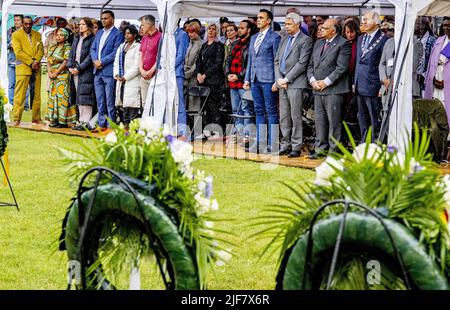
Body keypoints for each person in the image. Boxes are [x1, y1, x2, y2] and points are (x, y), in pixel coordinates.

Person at [307, 18, 352, 158]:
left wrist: (325, 82)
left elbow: (341, 68)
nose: (321, 30)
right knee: (319, 121)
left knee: (334, 122)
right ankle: (321, 149)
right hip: (317, 89)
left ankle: (333, 152)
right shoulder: (319, 43)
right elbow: (310, 65)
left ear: (333, 30)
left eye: (325, 28)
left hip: (334, 89)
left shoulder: (343, 44)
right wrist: (313, 81)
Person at [274, 12, 313, 158]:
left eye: (289, 24)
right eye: (285, 23)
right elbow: (277, 60)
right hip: (282, 83)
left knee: (295, 116)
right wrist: (279, 79)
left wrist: (287, 79)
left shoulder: (305, 40)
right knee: (284, 116)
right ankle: (286, 144)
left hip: (295, 83)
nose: (286, 26)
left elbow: (302, 63)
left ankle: (296, 146)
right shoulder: (284, 39)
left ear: (297, 24)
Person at [244, 9, 281, 153]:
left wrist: (276, 80)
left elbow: (276, 60)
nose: (258, 20)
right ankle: (260, 143)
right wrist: (247, 78)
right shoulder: (253, 38)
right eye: (257, 17)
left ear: (268, 20)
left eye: (261, 18)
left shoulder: (274, 38)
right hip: (255, 79)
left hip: (269, 79)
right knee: (258, 110)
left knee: (271, 111)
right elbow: (250, 61)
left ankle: (273, 144)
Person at [355, 11, 388, 141]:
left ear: (376, 22)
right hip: (360, 84)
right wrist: (354, 82)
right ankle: (364, 146)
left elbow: (384, 63)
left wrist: (381, 86)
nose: (363, 22)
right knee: (362, 119)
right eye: (363, 19)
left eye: (366, 20)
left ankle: (376, 147)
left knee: (375, 120)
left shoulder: (384, 39)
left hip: (374, 85)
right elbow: (358, 61)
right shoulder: (361, 38)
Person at [90, 10, 125, 130]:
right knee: (100, 100)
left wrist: (102, 61)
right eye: (102, 18)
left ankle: (111, 125)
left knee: (110, 101)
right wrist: (95, 60)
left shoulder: (118, 34)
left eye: (106, 18)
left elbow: (116, 52)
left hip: (108, 72)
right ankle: (101, 124)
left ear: (112, 19)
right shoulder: (99, 32)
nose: (103, 20)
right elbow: (93, 48)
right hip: (97, 71)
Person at [225, 19, 254, 145]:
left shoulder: (251, 43)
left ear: (248, 30)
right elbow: (228, 61)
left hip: (243, 82)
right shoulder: (235, 44)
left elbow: (250, 65)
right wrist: (228, 74)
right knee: (236, 109)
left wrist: (238, 75)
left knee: (246, 109)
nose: (240, 30)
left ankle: (247, 136)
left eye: (242, 28)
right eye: (240, 27)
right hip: (233, 82)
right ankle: (239, 133)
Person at [11, 16, 44, 126]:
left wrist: (36, 61)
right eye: (26, 24)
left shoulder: (37, 35)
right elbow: (18, 52)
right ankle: (16, 119)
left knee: (37, 95)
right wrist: (31, 62)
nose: (28, 26)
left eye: (30, 24)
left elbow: (41, 50)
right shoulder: (16, 35)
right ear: (22, 24)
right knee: (20, 95)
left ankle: (36, 118)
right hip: (23, 68)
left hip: (36, 69)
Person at [195, 23, 225, 139]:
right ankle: (206, 131)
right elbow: (198, 61)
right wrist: (198, 73)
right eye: (209, 29)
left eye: (214, 29)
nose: (211, 31)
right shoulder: (204, 46)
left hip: (214, 81)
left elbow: (218, 64)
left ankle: (216, 132)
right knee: (204, 107)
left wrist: (205, 75)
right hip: (203, 81)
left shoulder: (219, 45)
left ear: (217, 32)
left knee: (214, 107)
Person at [68, 17, 96, 131]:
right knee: (79, 96)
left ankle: (86, 122)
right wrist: (70, 66)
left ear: (88, 26)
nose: (80, 26)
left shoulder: (92, 38)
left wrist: (79, 68)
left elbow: (90, 56)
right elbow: (72, 53)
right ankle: (81, 121)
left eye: (83, 24)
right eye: (80, 24)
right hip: (75, 71)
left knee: (86, 98)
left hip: (86, 71)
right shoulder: (76, 37)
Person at [46, 28, 77, 127]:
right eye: (57, 35)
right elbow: (48, 59)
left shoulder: (67, 47)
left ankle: (62, 121)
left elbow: (65, 61)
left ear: (66, 36)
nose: (58, 37)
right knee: (53, 97)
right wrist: (50, 72)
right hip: (53, 75)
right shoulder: (53, 46)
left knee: (62, 98)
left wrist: (56, 72)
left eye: (61, 35)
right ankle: (54, 119)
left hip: (63, 75)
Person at [424, 17, 450, 129]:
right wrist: (431, 78)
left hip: (447, 83)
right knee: (435, 108)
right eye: (444, 25)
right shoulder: (439, 40)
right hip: (436, 82)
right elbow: (431, 62)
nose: (446, 28)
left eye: (449, 25)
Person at [113, 25, 141, 128]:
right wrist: (116, 74)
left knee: (132, 104)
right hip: (121, 79)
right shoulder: (121, 46)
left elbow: (137, 65)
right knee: (122, 103)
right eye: (125, 33)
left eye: (129, 33)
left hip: (132, 79)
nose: (127, 35)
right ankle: (125, 126)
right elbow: (116, 61)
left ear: (134, 35)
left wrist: (126, 77)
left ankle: (132, 127)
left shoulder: (138, 46)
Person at [139, 15, 161, 105]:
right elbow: (141, 54)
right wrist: (141, 70)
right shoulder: (144, 38)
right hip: (143, 75)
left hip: (155, 76)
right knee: (144, 103)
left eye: (143, 25)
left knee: (154, 103)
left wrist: (151, 71)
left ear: (149, 24)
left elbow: (160, 57)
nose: (141, 27)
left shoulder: (160, 37)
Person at [174, 25, 190, 139]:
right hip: (165, 73)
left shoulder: (182, 34)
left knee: (179, 103)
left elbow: (180, 55)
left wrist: (169, 66)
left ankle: (182, 132)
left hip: (176, 73)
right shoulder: (165, 34)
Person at [184, 22, 203, 112]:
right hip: (186, 74)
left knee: (194, 101)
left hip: (194, 76)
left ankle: (196, 124)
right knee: (185, 101)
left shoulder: (200, 44)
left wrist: (187, 74)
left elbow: (197, 62)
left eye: (192, 32)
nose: (189, 34)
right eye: (188, 32)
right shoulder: (189, 43)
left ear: (197, 32)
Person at [415, 17, 436, 93]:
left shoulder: (432, 40)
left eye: (416, 24)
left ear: (423, 26)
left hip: (426, 79)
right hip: (416, 79)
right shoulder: (416, 39)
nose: (414, 26)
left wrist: (424, 74)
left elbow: (434, 61)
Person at [7, 15, 24, 106]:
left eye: (18, 20)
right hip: (11, 61)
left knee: (23, 84)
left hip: (22, 62)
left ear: (22, 21)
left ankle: (24, 105)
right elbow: (4, 44)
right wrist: (9, 45)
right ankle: (11, 104)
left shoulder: (26, 32)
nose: (16, 22)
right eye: (15, 20)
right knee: (11, 84)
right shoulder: (9, 31)